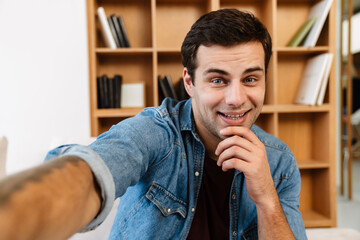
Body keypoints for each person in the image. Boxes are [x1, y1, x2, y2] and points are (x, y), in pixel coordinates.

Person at [0, 8, 307, 240]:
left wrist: (267, 198)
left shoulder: (279, 161)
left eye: (251, 79)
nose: (236, 98)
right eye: (217, 80)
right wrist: (16, 214)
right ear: (189, 81)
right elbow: (95, 168)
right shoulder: (157, 133)